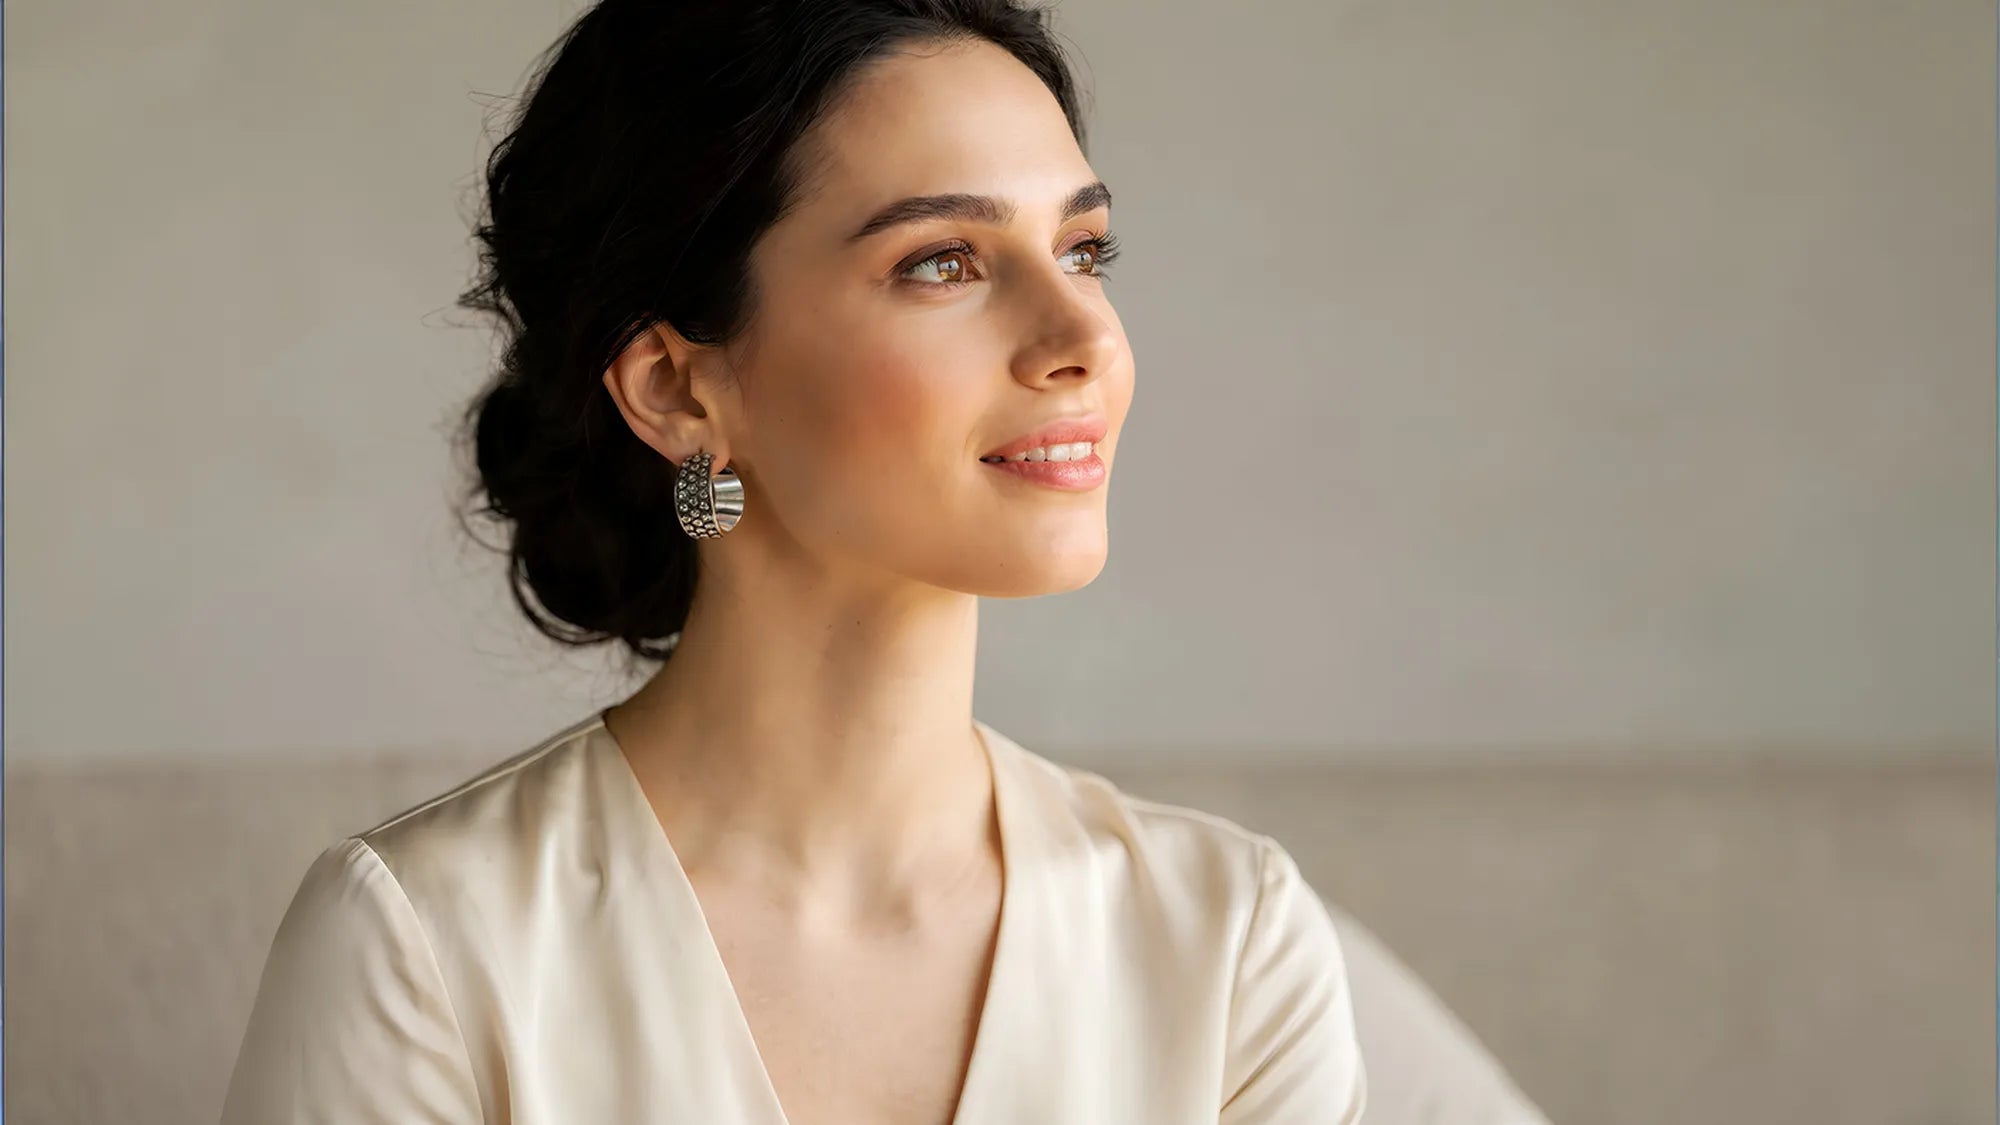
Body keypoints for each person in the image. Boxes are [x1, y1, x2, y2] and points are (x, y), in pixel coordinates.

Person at [220, 1, 1366, 1121]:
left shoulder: (1227, 945)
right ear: (675, 387)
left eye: (1082, 248)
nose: (1086, 341)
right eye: (944, 263)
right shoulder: (426, 944)